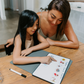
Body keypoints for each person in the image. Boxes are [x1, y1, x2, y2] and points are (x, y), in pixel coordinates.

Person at [6, 0, 79, 49]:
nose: (54, 22)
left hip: (59, 48)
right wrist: (18, 38)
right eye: (52, 17)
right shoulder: (38, 17)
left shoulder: (65, 23)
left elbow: (75, 44)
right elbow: (26, 29)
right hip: (43, 49)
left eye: (60, 20)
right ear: (48, 10)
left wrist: (53, 42)